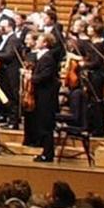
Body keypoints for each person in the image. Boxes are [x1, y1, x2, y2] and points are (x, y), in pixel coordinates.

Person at [27, 30, 62, 162]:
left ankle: (48, 154)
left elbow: (45, 76)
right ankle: (45, 152)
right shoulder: (43, 56)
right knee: (42, 125)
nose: (36, 42)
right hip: (41, 96)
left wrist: (32, 77)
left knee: (46, 126)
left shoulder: (48, 57)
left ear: (45, 43)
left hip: (46, 98)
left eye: (39, 40)